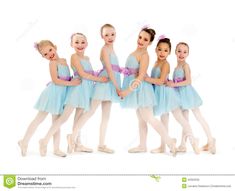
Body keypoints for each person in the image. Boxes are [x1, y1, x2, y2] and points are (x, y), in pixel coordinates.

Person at [38, 33, 108, 156]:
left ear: (87, 43)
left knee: (78, 118)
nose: (80, 45)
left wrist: (98, 76)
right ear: (72, 44)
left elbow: (90, 73)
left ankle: (77, 143)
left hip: (86, 90)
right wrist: (99, 79)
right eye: (76, 42)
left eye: (82, 42)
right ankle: (45, 140)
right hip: (77, 89)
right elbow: (83, 74)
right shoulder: (74, 57)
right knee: (64, 118)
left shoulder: (87, 59)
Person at [119, 27, 176, 156]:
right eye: (140, 37)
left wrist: (127, 91)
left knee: (149, 117)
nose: (141, 41)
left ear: (150, 43)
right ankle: (142, 145)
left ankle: (170, 141)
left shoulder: (144, 55)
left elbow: (140, 76)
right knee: (141, 119)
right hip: (136, 90)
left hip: (142, 90)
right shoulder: (135, 52)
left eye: (145, 39)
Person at [18, 40, 80, 157]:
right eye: (45, 54)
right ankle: (24, 141)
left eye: (50, 50)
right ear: (43, 56)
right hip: (52, 94)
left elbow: (66, 78)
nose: (49, 54)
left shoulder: (64, 61)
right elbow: (56, 80)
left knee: (56, 122)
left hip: (60, 95)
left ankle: (56, 148)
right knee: (39, 119)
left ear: (55, 47)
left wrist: (71, 80)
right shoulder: (52, 63)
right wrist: (72, 83)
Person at [67, 24, 122, 154]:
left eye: (112, 34)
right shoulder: (104, 50)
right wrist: (117, 87)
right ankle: (72, 136)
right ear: (102, 36)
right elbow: (109, 70)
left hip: (110, 83)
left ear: (116, 34)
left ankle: (101, 145)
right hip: (105, 82)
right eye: (106, 35)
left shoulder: (112, 49)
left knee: (106, 116)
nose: (110, 37)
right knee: (90, 112)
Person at [145, 37, 199, 154]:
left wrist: (146, 78)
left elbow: (160, 81)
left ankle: (193, 140)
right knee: (164, 120)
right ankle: (163, 146)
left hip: (168, 94)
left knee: (180, 118)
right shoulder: (155, 63)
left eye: (165, 50)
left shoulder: (166, 64)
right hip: (159, 95)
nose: (162, 53)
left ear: (169, 52)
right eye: (160, 49)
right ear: (156, 50)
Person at [167, 42, 216, 154]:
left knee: (199, 116)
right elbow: (176, 81)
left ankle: (211, 140)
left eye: (185, 52)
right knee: (185, 120)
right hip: (180, 96)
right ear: (175, 52)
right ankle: (183, 144)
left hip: (188, 95)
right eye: (179, 51)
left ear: (188, 54)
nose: (182, 54)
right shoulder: (176, 67)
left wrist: (174, 84)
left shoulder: (185, 66)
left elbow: (188, 81)